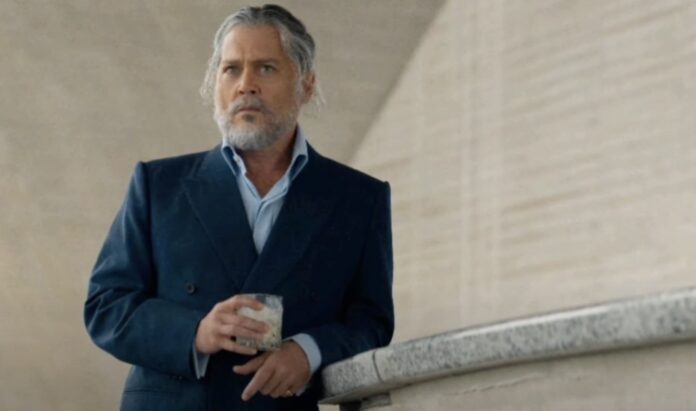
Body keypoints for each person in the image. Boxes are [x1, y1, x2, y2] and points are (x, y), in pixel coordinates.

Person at [83, 4, 394, 411]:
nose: (246, 85)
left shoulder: (358, 198)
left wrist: (309, 351)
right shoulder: (158, 185)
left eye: (266, 68)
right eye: (231, 69)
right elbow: (106, 305)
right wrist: (196, 331)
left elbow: (371, 322)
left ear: (306, 85)